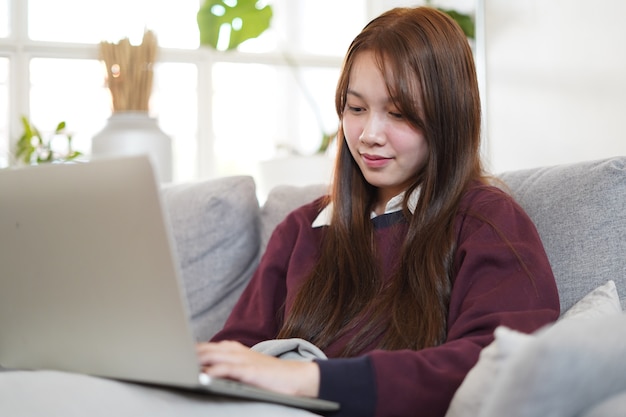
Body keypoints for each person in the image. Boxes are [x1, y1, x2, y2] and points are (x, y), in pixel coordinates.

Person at [197, 6, 560, 417]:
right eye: (355, 109)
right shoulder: (301, 229)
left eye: (399, 113)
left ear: (449, 117)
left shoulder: (486, 221)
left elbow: (500, 362)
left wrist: (310, 380)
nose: (369, 135)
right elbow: (235, 351)